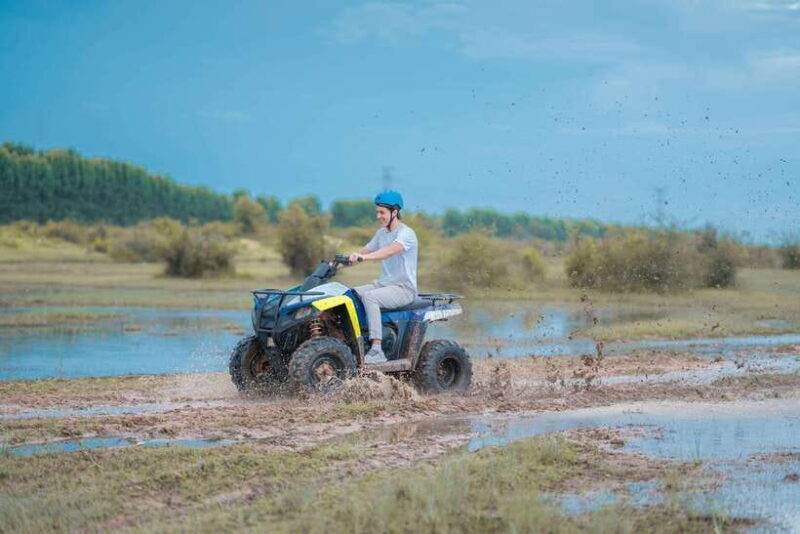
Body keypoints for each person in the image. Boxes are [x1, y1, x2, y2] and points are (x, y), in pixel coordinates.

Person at [348, 191, 418, 363]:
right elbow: (365, 251)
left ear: (394, 212)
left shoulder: (406, 234)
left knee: (370, 297)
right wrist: (340, 262)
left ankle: (377, 350)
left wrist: (364, 258)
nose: (378, 216)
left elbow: (389, 251)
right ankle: (355, 341)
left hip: (403, 289)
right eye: (377, 212)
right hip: (384, 285)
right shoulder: (381, 234)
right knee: (349, 294)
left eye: (382, 212)